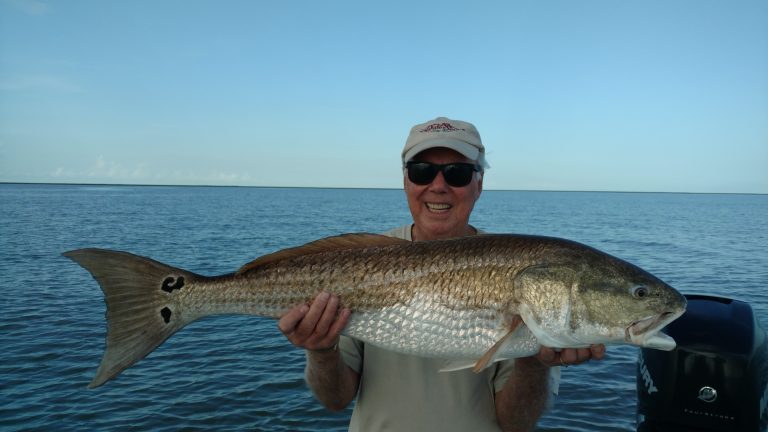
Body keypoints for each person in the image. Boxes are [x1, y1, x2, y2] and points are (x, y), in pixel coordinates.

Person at [278, 117, 606, 431]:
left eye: (458, 173)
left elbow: (516, 424)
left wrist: (534, 361)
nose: (438, 186)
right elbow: (336, 400)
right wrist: (321, 351)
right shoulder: (359, 263)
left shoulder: (526, 271)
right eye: (422, 172)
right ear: (406, 182)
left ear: (479, 183)